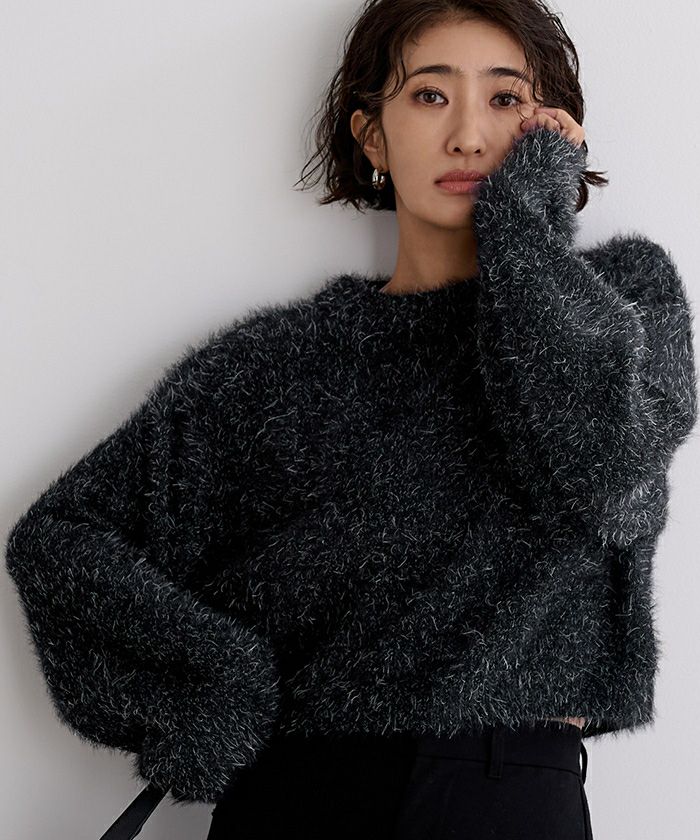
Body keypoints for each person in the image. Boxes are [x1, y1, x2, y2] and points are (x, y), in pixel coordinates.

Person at [5, 1, 696, 839]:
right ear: (372, 136)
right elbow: (63, 542)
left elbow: (605, 471)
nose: (469, 136)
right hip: (301, 792)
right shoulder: (273, 366)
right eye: (431, 96)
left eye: (506, 99)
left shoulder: (626, 305)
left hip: (503, 790)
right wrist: (213, 687)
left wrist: (527, 219)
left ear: (554, 133)